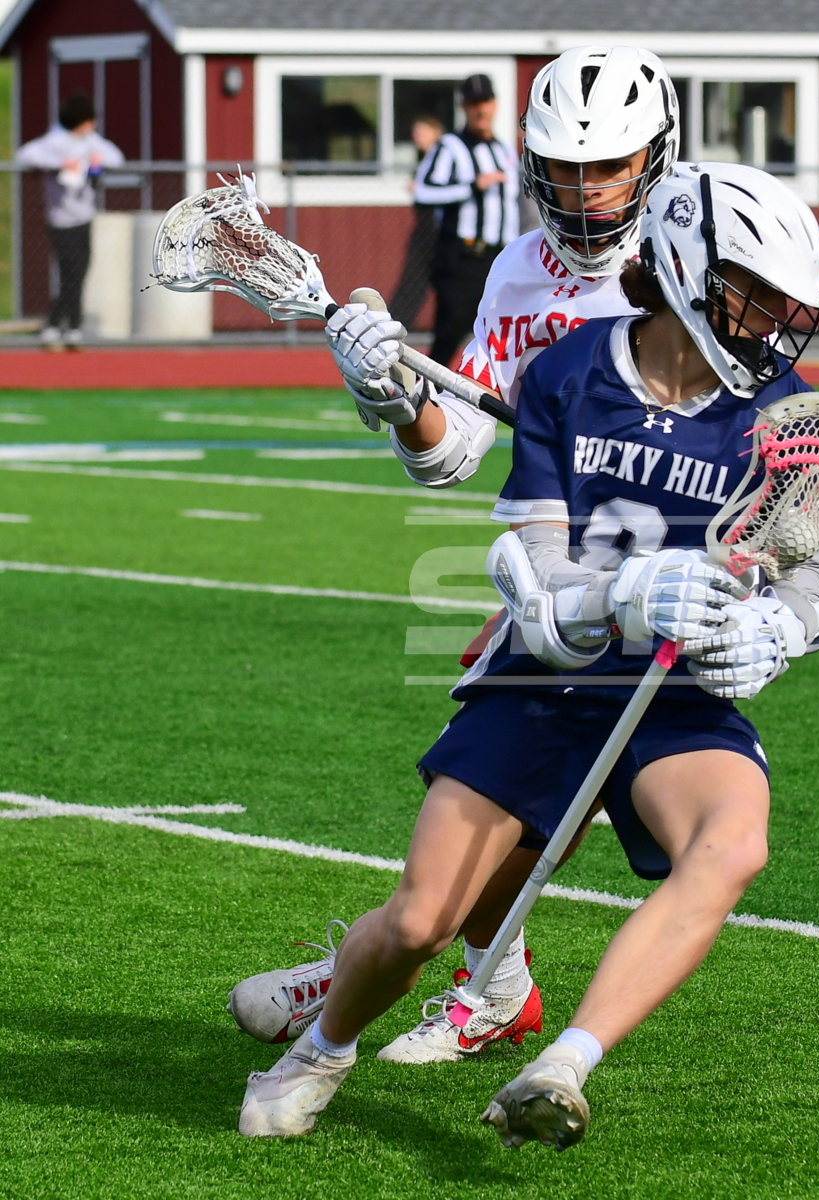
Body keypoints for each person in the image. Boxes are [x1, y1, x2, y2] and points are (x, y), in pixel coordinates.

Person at [237, 161, 819, 1149]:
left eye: (786, 301)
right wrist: (624, 592)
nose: (777, 323)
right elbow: (530, 574)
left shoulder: (786, 414)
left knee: (732, 844)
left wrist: (769, 635)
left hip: (674, 693)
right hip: (546, 678)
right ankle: (319, 1048)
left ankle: (564, 1063)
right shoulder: (569, 372)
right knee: (422, 922)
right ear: (686, 271)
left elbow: (815, 585)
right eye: (755, 293)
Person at [229, 45, 685, 1064]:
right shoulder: (521, 269)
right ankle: (474, 978)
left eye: (606, 166)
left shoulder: (696, 254)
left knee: (545, 810)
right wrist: (394, 394)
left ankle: (395, 967)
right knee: (504, 800)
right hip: (560, 578)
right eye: (562, 168)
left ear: (656, 157)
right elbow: (453, 455)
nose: (583, 189)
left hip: (671, 579)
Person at [414, 74, 519, 367]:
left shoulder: (503, 150)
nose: (480, 109)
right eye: (473, 103)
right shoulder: (450, 147)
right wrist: (472, 186)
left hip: (500, 256)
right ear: (463, 107)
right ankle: (429, 389)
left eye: (484, 101)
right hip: (463, 256)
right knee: (450, 332)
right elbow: (423, 192)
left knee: (505, 333)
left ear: (495, 104)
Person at [15, 94, 125, 347]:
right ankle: (58, 325)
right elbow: (25, 156)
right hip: (60, 219)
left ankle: (70, 326)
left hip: (83, 217)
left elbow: (116, 157)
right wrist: (60, 164)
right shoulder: (55, 142)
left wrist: (94, 162)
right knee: (70, 273)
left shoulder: (91, 142)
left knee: (80, 272)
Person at [386, 115, 445, 328]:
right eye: (416, 133)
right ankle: (394, 324)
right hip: (424, 226)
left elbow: (442, 190)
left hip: (437, 228)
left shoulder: (442, 157)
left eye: (422, 132)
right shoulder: (423, 158)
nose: (417, 137)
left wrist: (421, 189)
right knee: (413, 280)